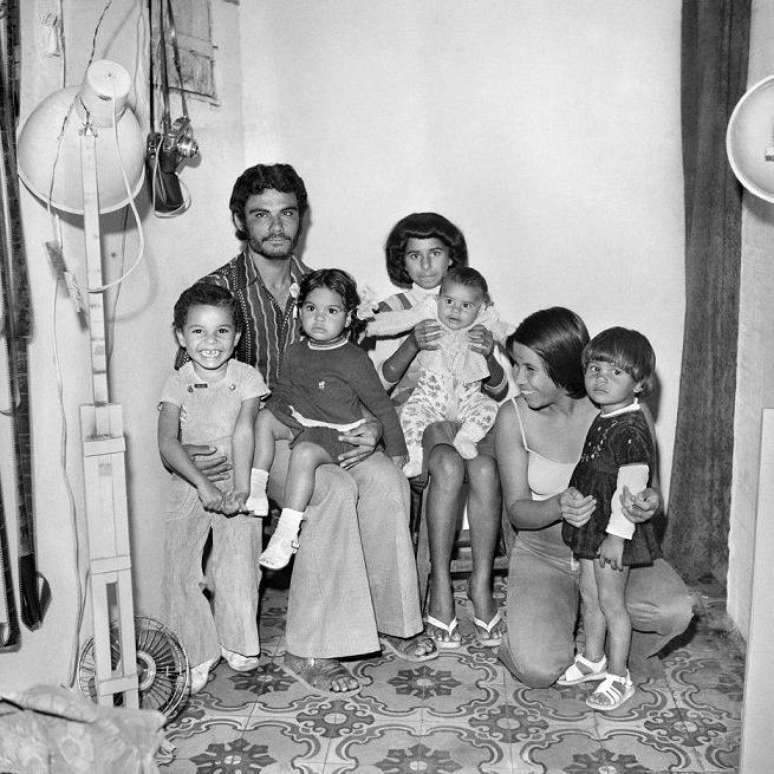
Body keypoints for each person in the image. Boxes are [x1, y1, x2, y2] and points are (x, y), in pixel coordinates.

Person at [181, 164, 436, 696]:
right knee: (335, 491)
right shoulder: (218, 293)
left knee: (387, 485)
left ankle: (394, 619)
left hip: (330, 429)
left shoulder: (323, 289)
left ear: (301, 220)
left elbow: (355, 374)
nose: (276, 226)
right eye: (261, 215)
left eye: (287, 213)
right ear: (239, 221)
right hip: (262, 440)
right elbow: (187, 384)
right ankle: (312, 645)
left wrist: (371, 427)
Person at [494, 307, 693, 688]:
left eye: (529, 368)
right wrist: (558, 505)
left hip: (613, 558)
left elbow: (656, 500)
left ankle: (614, 653)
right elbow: (518, 513)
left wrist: (648, 504)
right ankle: (548, 631)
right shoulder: (512, 417)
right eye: (515, 365)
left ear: (563, 367)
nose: (517, 379)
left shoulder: (624, 412)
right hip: (546, 555)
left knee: (674, 612)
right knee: (538, 669)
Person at [370, 213, 508, 649]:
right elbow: (380, 385)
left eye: (436, 254)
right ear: (402, 263)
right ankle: (442, 588)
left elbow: (500, 389)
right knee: (447, 465)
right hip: (419, 416)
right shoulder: (396, 310)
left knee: (485, 470)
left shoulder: (475, 304)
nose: (426, 265)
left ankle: (482, 586)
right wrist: (413, 342)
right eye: (415, 256)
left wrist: (489, 358)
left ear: (452, 259)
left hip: (468, 413)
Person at [252, 268, 407, 570]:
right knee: (263, 421)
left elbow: (380, 406)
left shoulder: (354, 359)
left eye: (331, 310)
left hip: (336, 432)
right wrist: (274, 411)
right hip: (302, 419)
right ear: (299, 311)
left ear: (348, 317)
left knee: (305, 453)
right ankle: (257, 487)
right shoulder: (295, 352)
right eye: (311, 308)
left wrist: (398, 452)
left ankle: (287, 531)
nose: (319, 318)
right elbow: (284, 389)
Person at [158, 283, 268, 692]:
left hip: (237, 472)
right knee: (181, 566)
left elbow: (245, 430)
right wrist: (203, 486)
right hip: (189, 479)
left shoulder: (246, 378)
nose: (210, 342)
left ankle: (237, 640)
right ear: (181, 337)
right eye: (199, 331)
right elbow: (168, 442)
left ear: (236, 337)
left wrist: (241, 489)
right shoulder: (177, 382)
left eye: (222, 331)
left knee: (239, 558)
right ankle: (196, 650)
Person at [558, 327, 661, 711]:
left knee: (611, 602)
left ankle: (619, 675)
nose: (601, 377)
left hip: (613, 530)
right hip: (593, 525)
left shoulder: (631, 427)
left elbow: (632, 491)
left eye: (616, 372)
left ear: (639, 384)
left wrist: (616, 537)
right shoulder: (606, 414)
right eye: (596, 367)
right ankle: (592, 658)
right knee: (589, 594)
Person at [365, 266, 513, 478]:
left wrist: (490, 354)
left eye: (466, 305)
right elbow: (397, 321)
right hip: (430, 399)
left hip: (466, 401)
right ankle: (416, 457)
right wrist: (365, 326)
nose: (455, 310)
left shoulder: (483, 328)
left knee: (490, 407)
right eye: (449, 301)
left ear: (480, 309)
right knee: (411, 413)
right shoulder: (429, 317)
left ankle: (467, 437)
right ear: (438, 299)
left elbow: (509, 336)